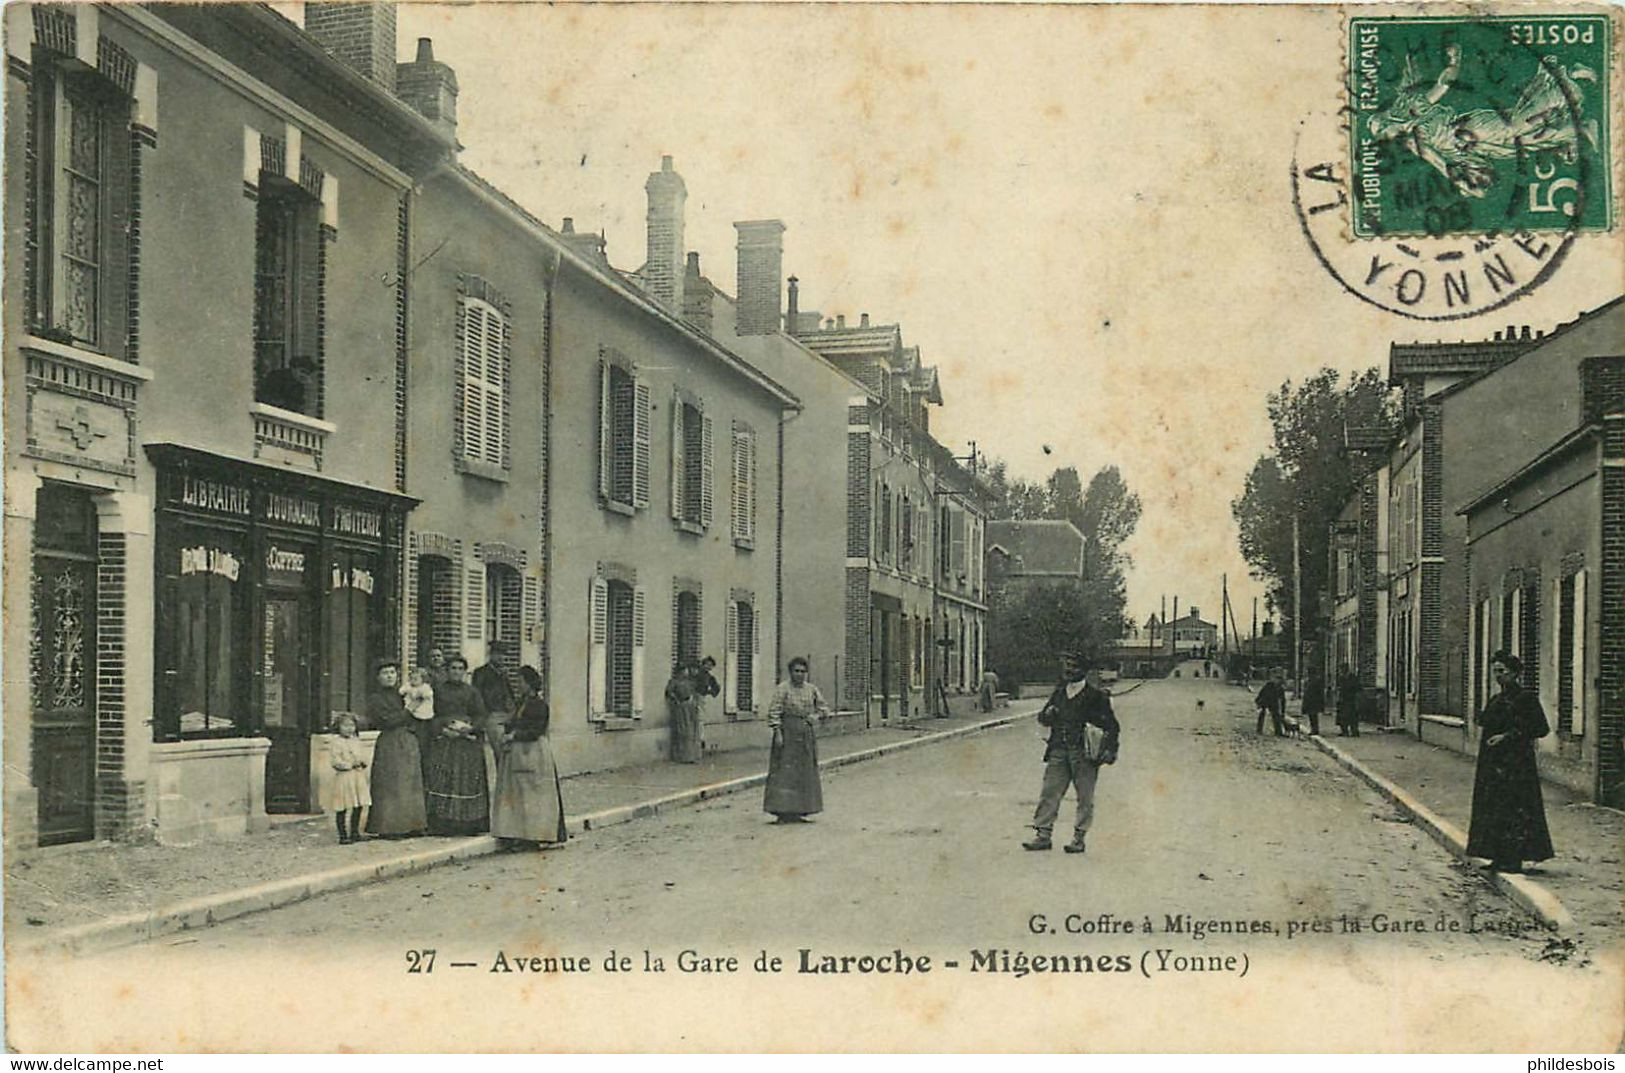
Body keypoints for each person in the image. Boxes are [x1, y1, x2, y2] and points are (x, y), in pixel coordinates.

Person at [1466, 652, 1554, 874]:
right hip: (1493, 765)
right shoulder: (1496, 699)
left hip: (1516, 765)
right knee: (1495, 810)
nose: (1498, 677)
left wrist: (1508, 736)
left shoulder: (1526, 698)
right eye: (1495, 672)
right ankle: (1497, 856)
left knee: (1514, 810)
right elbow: (1486, 721)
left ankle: (1513, 859)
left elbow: (1540, 729)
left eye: (1502, 672)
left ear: (1514, 673)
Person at [1023, 651, 1120, 854]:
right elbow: (1043, 717)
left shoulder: (1096, 696)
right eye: (1067, 666)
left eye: (1074, 666)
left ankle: (1079, 837)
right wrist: (1047, 715)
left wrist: (1110, 750)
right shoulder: (1059, 693)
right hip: (1059, 749)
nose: (1068, 670)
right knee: (1049, 792)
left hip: (1084, 753)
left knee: (1084, 797)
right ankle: (1043, 835)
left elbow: (1112, 726)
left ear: (1083, 671)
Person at [491, 666, 568, 848]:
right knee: (517, 794)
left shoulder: (539, 705)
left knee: (533, 794)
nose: (519, 685)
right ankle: (517, 833)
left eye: (521, 682)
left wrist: (514, 735)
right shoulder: (521, 703)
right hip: (517, 752)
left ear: (530, 683)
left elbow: (536, 730)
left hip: (533, 752)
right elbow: (514, 721)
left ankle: (534, 835)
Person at [424, 654, 491, 835]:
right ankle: (442, 823)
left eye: (460, 669)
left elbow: (481, 715)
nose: (457, 672)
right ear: (447, 671)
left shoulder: (472, 692)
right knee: (443, 778)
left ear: (465, 672)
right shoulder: (437, 691)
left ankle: (467, 823)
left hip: (466, 743)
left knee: (465, 779)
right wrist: (442, 729)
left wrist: (469, 728)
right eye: (453, 668)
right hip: (444, 741)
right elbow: (429, 714)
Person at [365, 659, 428, 838]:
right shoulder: (375, 699)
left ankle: (412, 824)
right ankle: (390, 827)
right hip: (390, 740)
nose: (390, 676)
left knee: (410, 782)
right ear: (378, 677)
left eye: (392, 673)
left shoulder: (402, 694)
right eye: (385, 673)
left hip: (408, 739)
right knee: (392, 783)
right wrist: (409, 711)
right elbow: (387, 720)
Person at [763, 656, 827, 823]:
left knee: (803, 772)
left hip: (805, 734)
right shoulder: (783, 689)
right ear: (790, 672)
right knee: (785, 772)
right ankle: (782, 811)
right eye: (796, 671)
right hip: (787, 733)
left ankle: (800, 810)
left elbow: (823, 708)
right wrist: (777, 732)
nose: (799, 674)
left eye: (803, 671)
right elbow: (774, 711)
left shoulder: (811, 689)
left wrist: (815, 716)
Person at [326, 713, 371, 844]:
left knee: (358, 804)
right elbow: (335, 761)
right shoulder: (336, 742)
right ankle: (343, 835)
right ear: (338, 727)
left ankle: (355, 832)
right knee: (343, 806)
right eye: (345, 725)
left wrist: (362, 762)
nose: (349, 728)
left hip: (357, 776)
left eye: (351, 725)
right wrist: (349, 765)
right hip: (345, 777)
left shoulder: (356, 741)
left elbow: (363, 755)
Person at [665, 662, 702, 764]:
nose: (685, 672)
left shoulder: (690, 682)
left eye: (685, 670)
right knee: (683, 731)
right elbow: (669, 693)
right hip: (682, 708)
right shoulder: (674, 682)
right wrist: (677, 700)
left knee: (693, 731)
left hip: (691, 707)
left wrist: (694, 701)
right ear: (679, 672)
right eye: (683, 670)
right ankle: (682, 756)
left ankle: (692, 756)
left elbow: (695, 692)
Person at [1255, 667, 1287, 736]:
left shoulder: (1281, 689)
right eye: (1277, 680)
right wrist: (1258, 701)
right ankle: (1259, 730)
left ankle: (1278, 732)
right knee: (1262, 715)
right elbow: (1261, 693)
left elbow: (1283, 700)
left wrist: (1283, 711)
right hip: (1265, 701)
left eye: (1280, 681)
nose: (1278, 682)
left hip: (1273, 703)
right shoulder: (1269, 685)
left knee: (1276, 716)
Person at [1335, 664, 1360, 737]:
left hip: (1351, 700)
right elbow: (1339, 688)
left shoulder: (1353, 678)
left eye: (1342, 669)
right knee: (1342, 717)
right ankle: (1344, 731)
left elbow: (1357, 688)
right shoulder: (1341, 678)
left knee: (1352, 717)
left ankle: (1354, 731)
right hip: (1343, 700)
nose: (1341, 671)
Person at [1302, 667, 1326, 737]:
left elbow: (1320, 692)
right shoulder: (1308, 681)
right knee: (1311, 716)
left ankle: (1315, 729)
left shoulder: (1316, 681)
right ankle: (1313, 729)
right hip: (1309, 701)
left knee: (1313, 716)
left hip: (1314, 701)